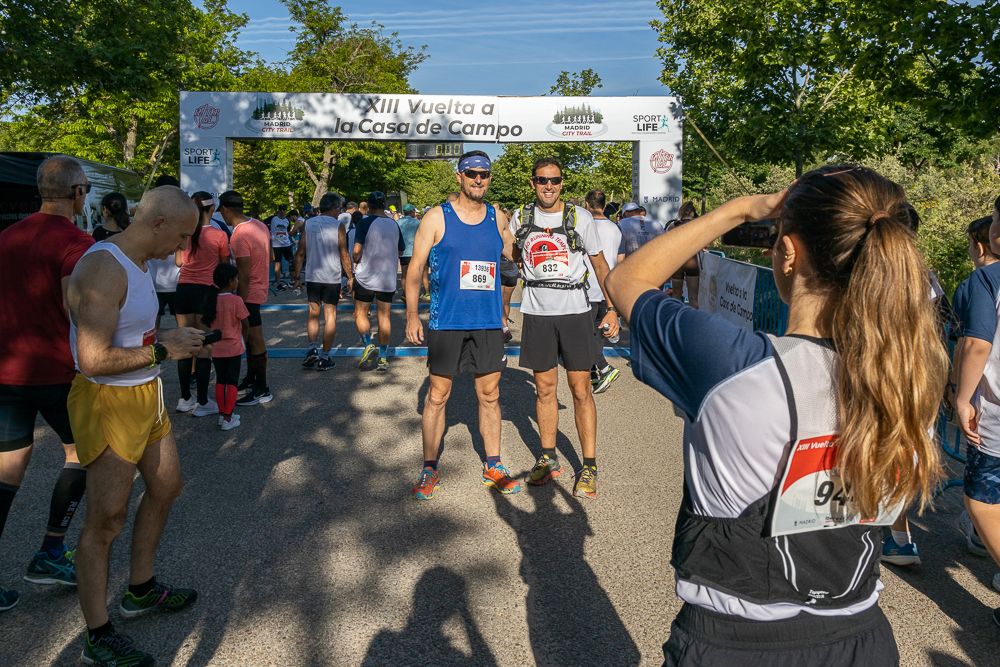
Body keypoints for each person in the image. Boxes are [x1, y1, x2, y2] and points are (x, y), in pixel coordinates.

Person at [607, 165, 947, 665]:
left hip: (735, 641)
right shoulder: (913, 374)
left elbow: (626, 279)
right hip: (862, 635)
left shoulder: (729, 361)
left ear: (787, 252)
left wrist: (739, 210)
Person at [67, 185, 206, 666]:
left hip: (147, 394)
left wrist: (169, 340)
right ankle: (97, 635)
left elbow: (136, 337)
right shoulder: (103, 267)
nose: (183, 248)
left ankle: (140, 589)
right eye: (182, 236)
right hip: (108, 400)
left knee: (167, 486)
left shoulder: (143, 263)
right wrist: (166, 349)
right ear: (158, 224)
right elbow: (93, 359)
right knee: (105, 521)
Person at [0, 155, 94, 612]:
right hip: (57, 372)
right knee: (82, 454)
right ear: (78, 193)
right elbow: (78, 311)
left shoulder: (6, 237)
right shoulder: (76, 242)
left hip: (6, 371)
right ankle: (51, 552)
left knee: (6, 470)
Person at [405, 151, 521, 500]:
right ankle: (429, 468)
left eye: (484, 175)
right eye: (471, 174)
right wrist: (412, 315)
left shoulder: (497, 217)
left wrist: (502, 308)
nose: (478, 180)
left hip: (486, 323)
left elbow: (509, 263)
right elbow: (414, 271)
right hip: (448, 321)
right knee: (438, 396)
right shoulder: (436, 217)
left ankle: (494, 465)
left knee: (490, 394)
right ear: (459, 176)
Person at [510, 158, 619, 499]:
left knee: (580, 388)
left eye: (555, 180)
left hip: (575, 311)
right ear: (533, 183)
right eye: (542, 180)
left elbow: (601, 266)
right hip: (537, 313)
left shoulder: (580, 218)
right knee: (544, 389)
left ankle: (588, 465)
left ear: (562, 183)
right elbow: (514, 254)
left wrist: (613, 308)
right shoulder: (520, 217)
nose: (549, 186)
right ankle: (547, 457)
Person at [956, 194, 1000, 623]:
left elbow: (976, 343)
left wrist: (962, 396)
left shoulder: (987, 281)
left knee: (982, 501)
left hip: (997, 412)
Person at [173, 192, 229, 418]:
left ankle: (185, 398)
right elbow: (224, 267)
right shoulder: (219, 235)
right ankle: (204, 401)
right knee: (204, 345)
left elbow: (178, 261)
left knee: (185, 344)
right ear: (212, 209)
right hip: (207, 291)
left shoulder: (184, 234)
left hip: (183, 289)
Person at [219, 191, 273, 405]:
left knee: (255, 340)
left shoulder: (239, 235)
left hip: (248, 293)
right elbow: (269, 257)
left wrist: (237, 302)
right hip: (260, 288)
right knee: (251, 340)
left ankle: (262, 388)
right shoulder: (259, 225)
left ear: (225, 209)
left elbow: (243, 273)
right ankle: (251, 379)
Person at [293, 192, 347, 371]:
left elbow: (300, 251)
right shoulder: (338, 225)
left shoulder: (308, 223)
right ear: (334, 208)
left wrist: (296, 275)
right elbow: (343, 253)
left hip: (312, 275)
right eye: (339, 207)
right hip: (331, 276)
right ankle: (325, 356)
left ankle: (311, 349)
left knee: (313, 313)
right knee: (330, 315)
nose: (340, 211)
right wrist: (351, 276)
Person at [352, 191, 405, 372]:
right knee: (384, 317)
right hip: (386, 278)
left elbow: (356, 251)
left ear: (369, 205)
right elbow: (400, 251)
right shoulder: (394, 225)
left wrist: (356, 260)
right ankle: (383, 358)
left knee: (360, 313)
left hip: (365, 276)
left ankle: (368, 344)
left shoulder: (364, 222)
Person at [583, 189, 623, 394]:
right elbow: (621, 261)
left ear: (587, 205)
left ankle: (604, 368)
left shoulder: (583, 226)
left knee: (584, 336)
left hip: (586, 288)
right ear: (604, 205)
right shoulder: (616, 229)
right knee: (597, 335)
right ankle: (594, 378)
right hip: (607, 288)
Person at [203, 263, 248, 430]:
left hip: (217, 347)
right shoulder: (236, 300)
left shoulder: (212, 299)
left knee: (220, 380)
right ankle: (229, 417)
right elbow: (246, 322)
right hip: (233, 346)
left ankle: (222, 414)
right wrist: (245, 336)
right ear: (230, 281)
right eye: (236, 279)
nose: (237, 281)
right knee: (232, 381)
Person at [669, 202, 701, 307]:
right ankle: (694, 322)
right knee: (693, 298)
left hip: (677, 261)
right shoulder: (698, 224)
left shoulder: (673, 225)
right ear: (693, 212)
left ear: (681, 212)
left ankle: (674, 320)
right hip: (691, 260)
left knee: (676, 295)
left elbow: (668, 243)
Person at [149, 252, 179, 330]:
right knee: (183, 326)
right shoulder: (178, 240)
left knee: (153, 327)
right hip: (174, 284)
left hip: (156, 285)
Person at [398, 203, 420, 301]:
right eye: (414, 211)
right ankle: (412, 294)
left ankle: (404, 293)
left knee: (404, 274)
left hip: (403, 251)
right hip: (414, 251)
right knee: (413, 274)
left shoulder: (398, 222)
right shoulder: (417, 222)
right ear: (411, 212)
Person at [270, 205, 294, 286]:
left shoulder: (287, 220)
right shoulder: (273, 218)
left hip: (286, 244)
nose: (282, 211)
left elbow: (288, 231)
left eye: (284, 209)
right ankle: (278, 282)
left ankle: (293, 280)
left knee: (291, 261)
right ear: (278, 210)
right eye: (281, 209)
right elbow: (262, 223)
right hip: (276, 245)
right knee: (277, 263)